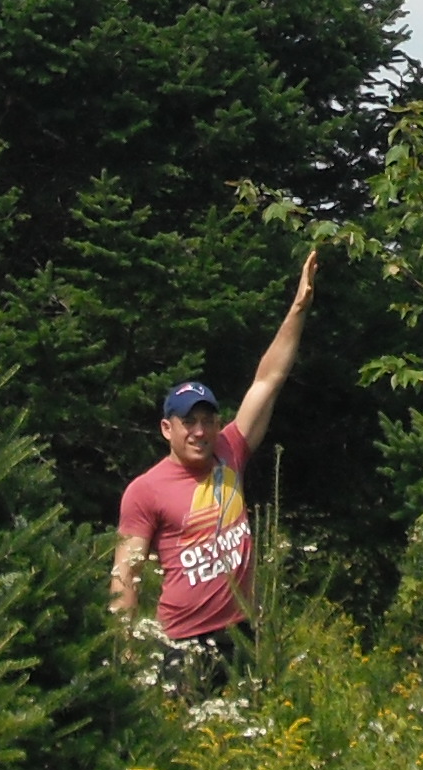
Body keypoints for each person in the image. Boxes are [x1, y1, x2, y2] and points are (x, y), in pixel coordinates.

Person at [111, 248, 320, 692]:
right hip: (183, 646)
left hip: (243, 631)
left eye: (208, 419)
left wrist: (298, 309)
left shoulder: (231, 449)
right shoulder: (144, 490)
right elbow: (125, 573)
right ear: (167, 428)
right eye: (190, 422)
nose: (201, 432)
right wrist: (125, 649)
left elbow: (268, 379)